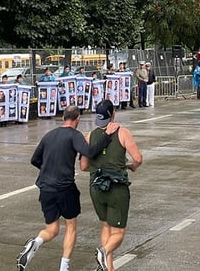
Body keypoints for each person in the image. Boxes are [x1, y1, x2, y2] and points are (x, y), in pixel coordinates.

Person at [16, 106, 120, 271]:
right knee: (71, 226)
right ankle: (64, 267)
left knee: (52, 229)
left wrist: (48, 170)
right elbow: (90, 152)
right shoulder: (74, 135)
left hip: (46, 187)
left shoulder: (49, 135)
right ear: (77, 118)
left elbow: (35, 159)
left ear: (64, 117)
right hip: (65, 187)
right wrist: (107, 136)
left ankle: (36, 242)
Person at [79, 100, 142, 271]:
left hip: (96, 187)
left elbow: (83, 166)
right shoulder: (123, 133)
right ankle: (103, 251)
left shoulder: (89, 136)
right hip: (116, 188)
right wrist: (130, 167)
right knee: (119, 232)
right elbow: (137, 158)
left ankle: (108, 267)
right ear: (113, 114)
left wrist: (98, 168)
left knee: (106, 225)